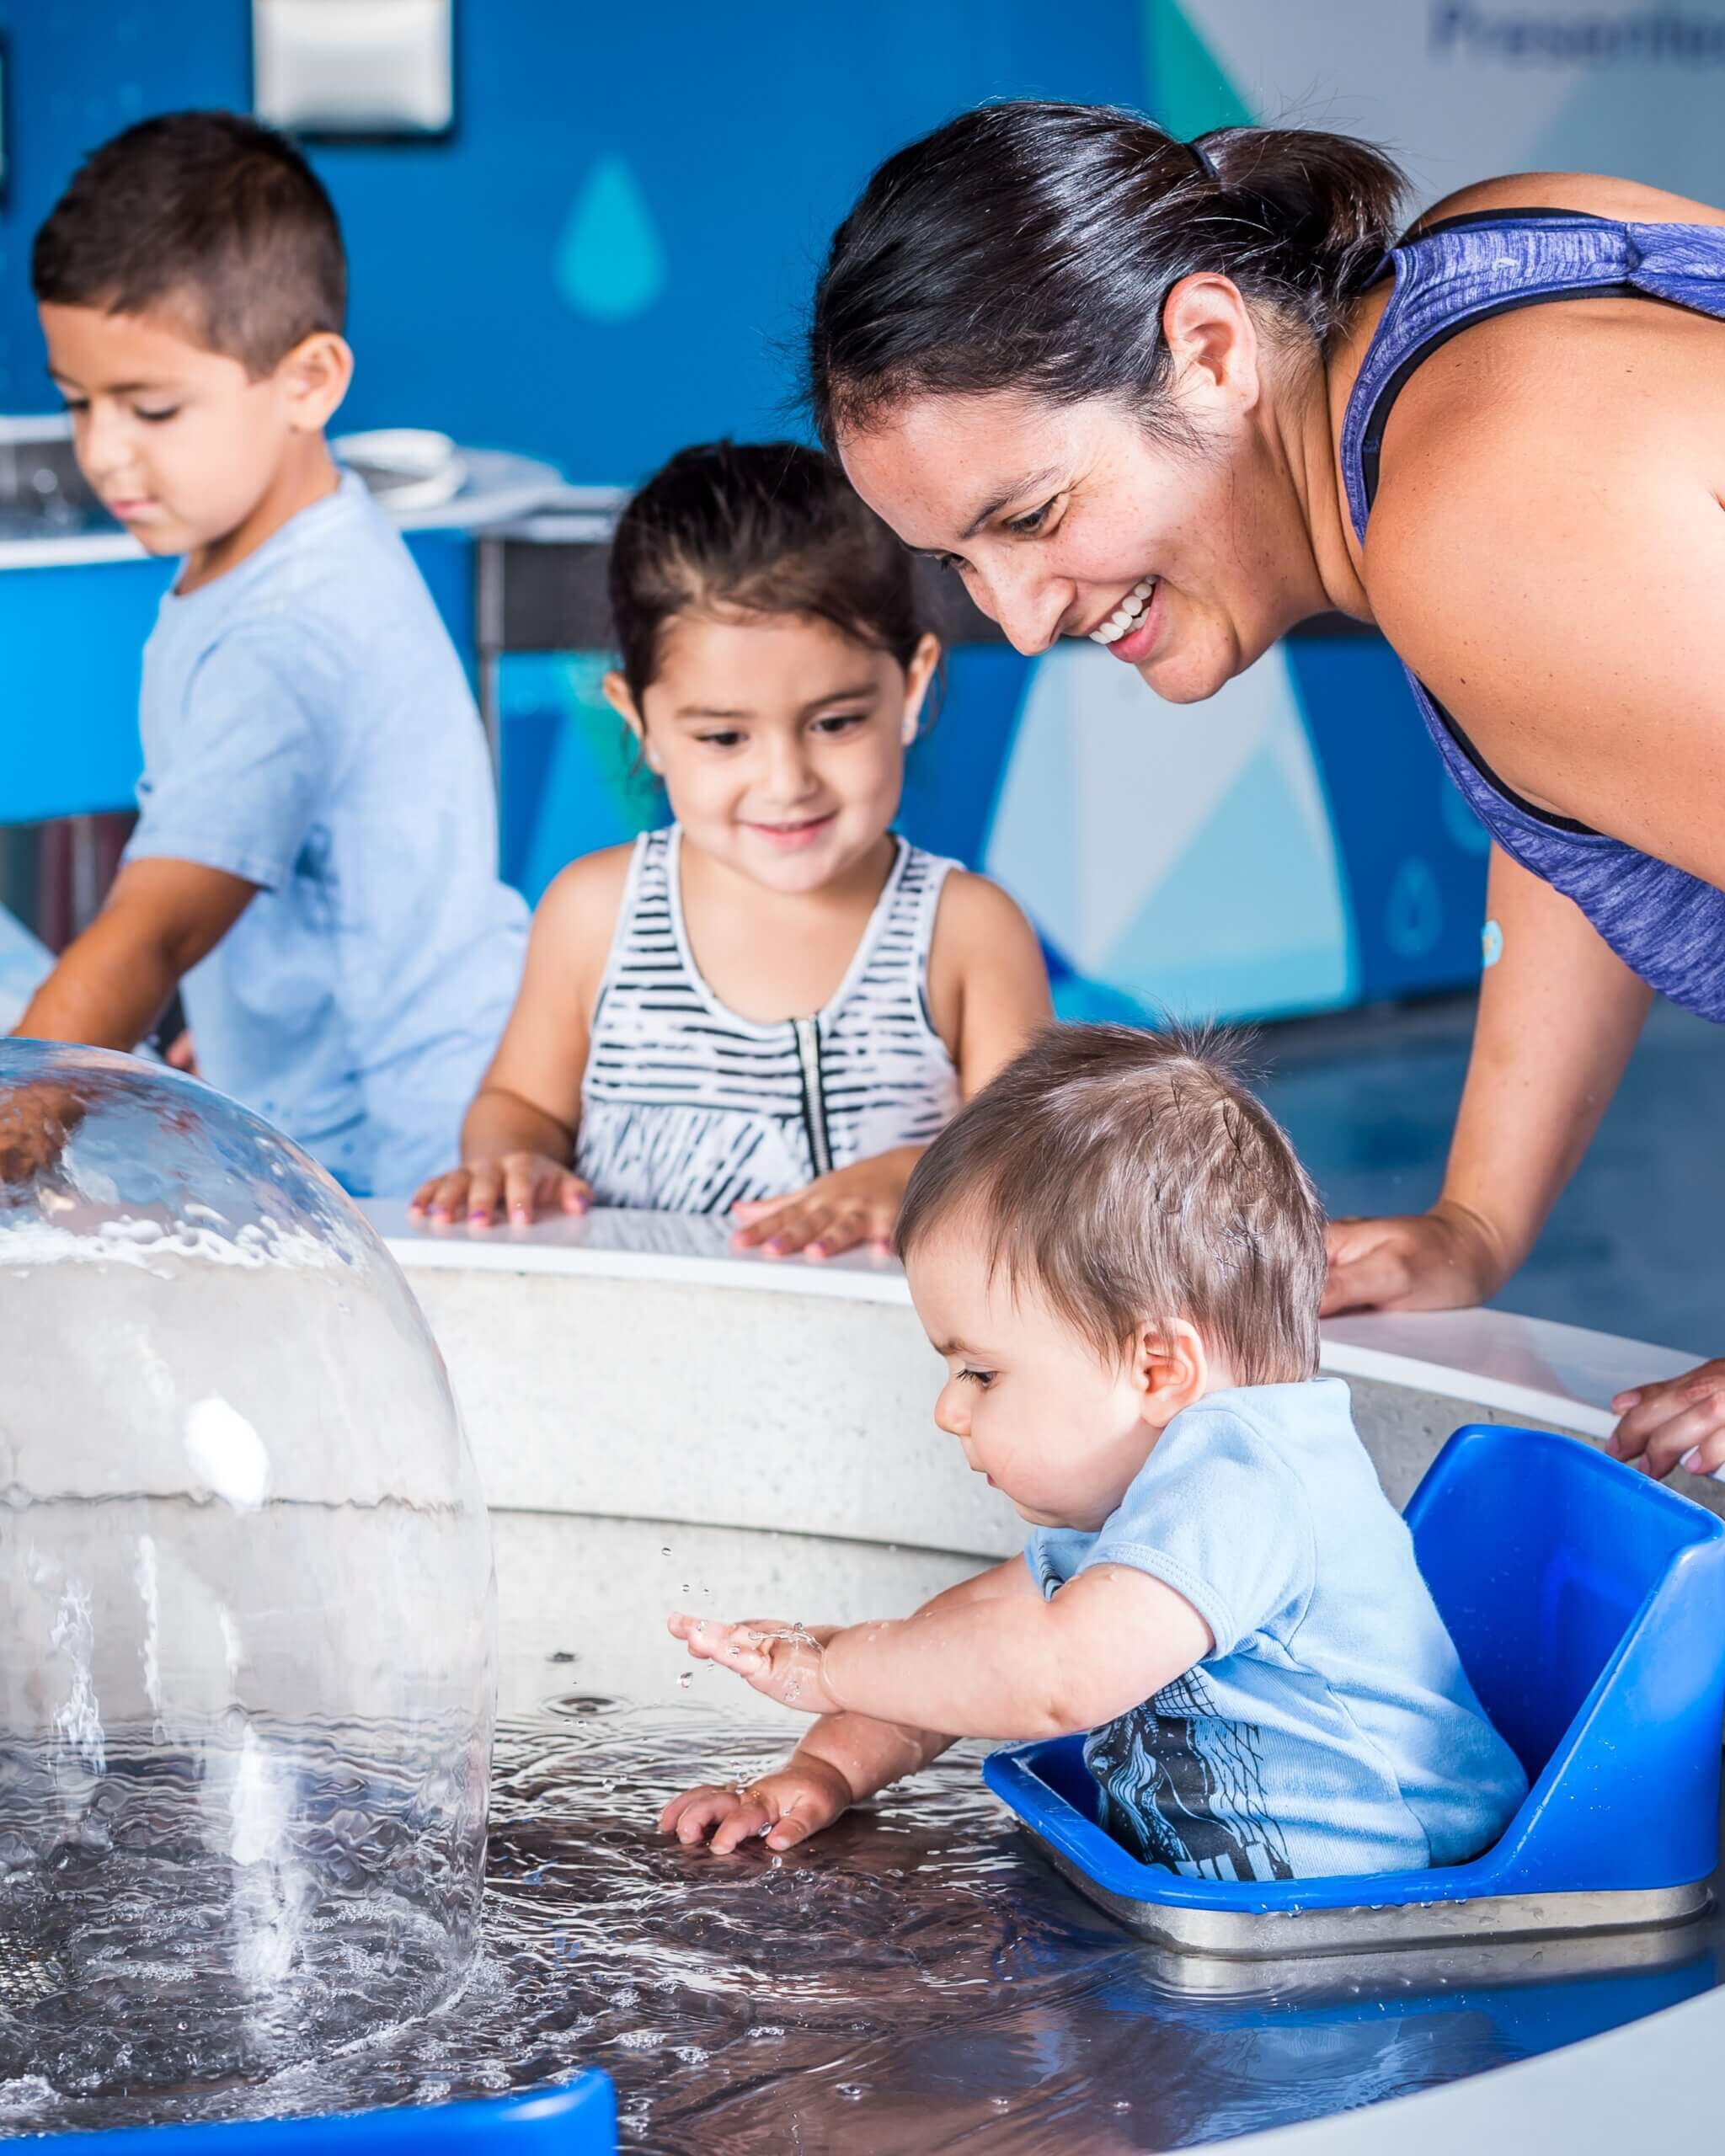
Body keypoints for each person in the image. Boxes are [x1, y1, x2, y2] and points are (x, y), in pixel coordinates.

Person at [803, 101, 1725, 1478]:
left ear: (1211, 348)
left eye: (1033, 517)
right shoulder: (1487, 265)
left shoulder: (1470, 524)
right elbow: (1580, 794)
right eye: (958, 564)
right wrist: (1473, 1217)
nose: (1024, 617)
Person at [660, 1023, 1526, 1868]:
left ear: (1155, 1366)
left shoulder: (1247, 1477)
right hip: (1248, 1930)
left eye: (980, 1372)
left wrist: (834, 1667)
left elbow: (1053, 1677)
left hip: (1402, 1919)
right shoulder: (1142, 1498)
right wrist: (822, 1769)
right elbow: (960, 1652)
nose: (948, 1411)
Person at [16, 112, 526, 1197]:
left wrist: (19, 1119)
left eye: (152, 408)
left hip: (397, 1168)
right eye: (78, 403)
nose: (103, 452)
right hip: (329, 1094)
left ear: (308, 381)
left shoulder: (290, 637)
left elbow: (148, 932)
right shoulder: (284, 547)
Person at [411, 440, 1050, 1258]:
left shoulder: (966, 930)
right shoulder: (594, 914)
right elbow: (521, 1102)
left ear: (911, 686)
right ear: (638, 721)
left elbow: (1034, 1161)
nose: (785, 781)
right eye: (722, 736)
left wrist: (919, 1173)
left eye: (835, 723)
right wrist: (510, 1161)